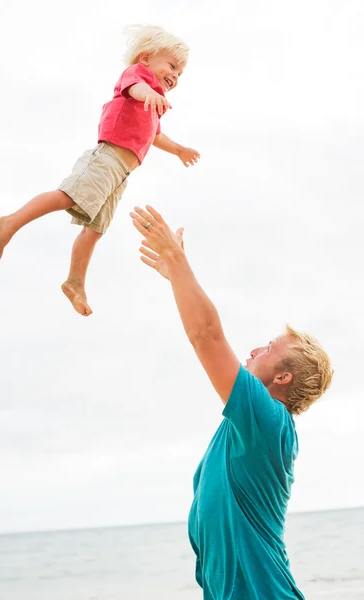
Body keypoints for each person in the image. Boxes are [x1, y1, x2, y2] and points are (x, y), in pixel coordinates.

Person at [130, 205, 333, 600]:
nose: (255, 348)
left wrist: (177, 260)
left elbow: (206, 335)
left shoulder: (268, 419)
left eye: (270, 348)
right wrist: (176, 277)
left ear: (282, 378)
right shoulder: (244, 426)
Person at [0, 25, 200, 316]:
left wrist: (179, 150)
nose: (176, 75)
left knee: (95, 229)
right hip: (107, 158)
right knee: (67, 196)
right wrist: (148, 93)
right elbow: (136, 90)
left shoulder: (154, 101)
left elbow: (155, 135)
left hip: (121, 174)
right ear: (145, 58)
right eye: (173, 65)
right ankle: (11, 221)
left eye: (181, 73)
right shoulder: (138, 78)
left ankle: (75, 282)